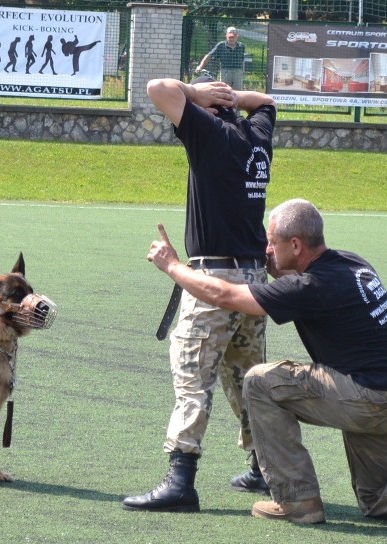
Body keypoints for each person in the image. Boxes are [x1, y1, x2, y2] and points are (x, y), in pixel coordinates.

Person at [144, 198, 387, 532]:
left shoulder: (308, 286)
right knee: (375, 498)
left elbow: (225, 296)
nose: (268, 251)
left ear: (296, 245)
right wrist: (281, 271)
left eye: (272, 243)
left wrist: (172, 265)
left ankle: (296, 501)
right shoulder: (353, 263)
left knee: (259, 381)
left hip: (369, 400)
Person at [121, 76, 276, 513]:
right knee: (248, 379)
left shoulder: (209, 133)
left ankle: (180, 480)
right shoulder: (257, 135)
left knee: (192, 379)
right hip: (254, 282)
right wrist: (225, 97)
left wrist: (195, 92)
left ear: (208, 113)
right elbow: (265, 100)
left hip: (213, 282)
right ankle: (266, 468)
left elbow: (156, 88)